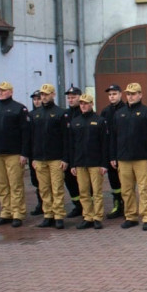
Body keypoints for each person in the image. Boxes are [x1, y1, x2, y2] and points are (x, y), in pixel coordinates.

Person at [109, 82, 147, 231]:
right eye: (128, 94)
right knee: (126, 190)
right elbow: (113, 137)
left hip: (142, 158)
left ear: (140, 95)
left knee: (144, 189)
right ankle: (130, 216)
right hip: (123, 159)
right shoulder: (119, 114)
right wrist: (113, 156)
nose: (130, 97)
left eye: (133, 94)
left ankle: (146, 217)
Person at [0, 81, 31, 227]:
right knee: (1, 185)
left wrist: (24, 153)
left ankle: (17, 213)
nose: (0, 92)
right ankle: (6, 212)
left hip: (14, 154)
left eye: (3, 90)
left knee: (15, 184)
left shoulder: (19, 109)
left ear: (10, 92)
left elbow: (26, 133)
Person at [68, 93, 109, 229]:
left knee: (97, 192)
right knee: (83, 192)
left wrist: (104, 164)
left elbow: (104, 144)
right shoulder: (75, 122)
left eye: (86, 103)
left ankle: (97, 217)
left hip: (95, 163)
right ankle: (88, 217)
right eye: (81, 103)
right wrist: (73, 164)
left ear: (92, 104)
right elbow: (72, 145)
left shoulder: (100, 121)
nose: (83, 106)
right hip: (80, 163)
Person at [31, 84, 69, 229]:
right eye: (42, 94)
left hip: (56, 158)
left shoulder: (61, 113)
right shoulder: (35, 114)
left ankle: (59, 216)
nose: (44, 97)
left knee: (57, 188)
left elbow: (66, 138)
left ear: (53, 94)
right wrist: (33, 157)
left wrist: (65, 158)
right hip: (40, 158)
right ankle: (48, 215)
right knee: (44, 188)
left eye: (47, 94)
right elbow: (32, 139)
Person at [100, 84, 126, 219]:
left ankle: (128, 206)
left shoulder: (126, 109)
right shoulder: (105, 112)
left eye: (114, 94)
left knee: (126, 182)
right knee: (114, 181)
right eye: (110, 95)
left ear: (120, 94)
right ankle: (117, 205)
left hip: (124, 151)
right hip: (110, 152)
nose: (112, 97)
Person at [63, 85, 84, 218]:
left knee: (84, 182)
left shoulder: (84, 112)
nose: (71, 100)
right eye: (69, 98)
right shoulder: (64, 114)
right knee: (70, 182)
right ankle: (77, 205)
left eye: (73, 97)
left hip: (82, 154)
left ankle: (87, 207)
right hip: (68, 154)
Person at [28, 90, 45, 216]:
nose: (37, 101)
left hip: (46, 154)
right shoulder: (30, 115)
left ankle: (48, 205)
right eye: (35, 99)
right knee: (36, 181)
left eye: (39, 99)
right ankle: (41, 203)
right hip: (33, 153)